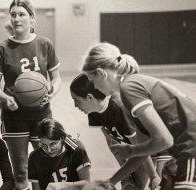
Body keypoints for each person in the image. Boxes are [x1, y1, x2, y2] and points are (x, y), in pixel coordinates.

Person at [81, 42, 196, 189]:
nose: (95, 87)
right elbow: (145, 151)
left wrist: (130, 150)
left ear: (101, 73)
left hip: (190, 147)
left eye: (92, 80)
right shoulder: (131, 88)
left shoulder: (129, 88)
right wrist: (111, 180)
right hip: (184, 149)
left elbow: (163, 140)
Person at [0, 0, 61, 189]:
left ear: (32, 18)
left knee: (47, 166)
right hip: (14, 116)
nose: (16, 18)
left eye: (21, 14)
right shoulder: (2, 49)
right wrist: (6, 98)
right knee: (21, 172)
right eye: (13, 14)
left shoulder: (45, 44)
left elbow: (56, 79)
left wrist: (52, 91)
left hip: (41, 114)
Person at [70, 73, 161, 189]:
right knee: (128, 185)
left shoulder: (120, 109)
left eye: (76, 100)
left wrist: (154, 176)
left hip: (156, 147)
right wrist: (125, 175)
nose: (75, 105)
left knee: (144, 185)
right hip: (139, 149)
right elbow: (111, 141)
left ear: (89, 97)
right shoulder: (94, 111)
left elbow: (142, 147)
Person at [28, 118, 91, 190]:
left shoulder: (76, 151)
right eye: (44, 145)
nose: (48, 150)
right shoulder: (34, 157)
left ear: (62, 138)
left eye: (53, 144)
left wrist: (64, 186)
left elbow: (87, 184)